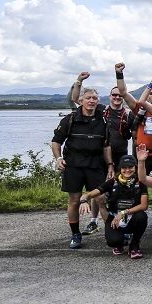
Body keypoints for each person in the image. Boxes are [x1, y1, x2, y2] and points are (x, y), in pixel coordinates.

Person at [51, 82, 112, 249]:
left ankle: (110, 232)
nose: (91, 101)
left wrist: (110, 165)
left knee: (101, 198)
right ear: (81, 100)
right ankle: (75, 234)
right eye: (88, 98)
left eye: (94, 98)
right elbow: (56, 142)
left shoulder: (103, 119)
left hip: (95, 164)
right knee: (74, 200)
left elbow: (106, 145)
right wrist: (58, 158)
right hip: (74, 166)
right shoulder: (70, 119)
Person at [78, 154, 148, 259]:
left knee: (142, 216)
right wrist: (84, 200)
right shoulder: (112, 182)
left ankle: (134, 244)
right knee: (113, 241)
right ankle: (119, 243)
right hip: (115, 218)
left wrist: (124, 212)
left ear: (135, 167)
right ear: (120, 168)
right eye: (124, 167)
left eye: (130, 167)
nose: (127, 170)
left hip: (132, 216)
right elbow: (90, 194)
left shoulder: (141, 183)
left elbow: (144, 206)